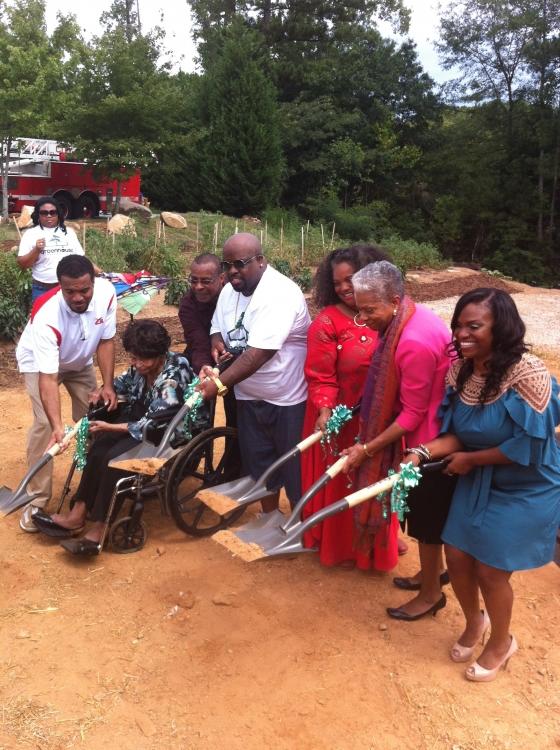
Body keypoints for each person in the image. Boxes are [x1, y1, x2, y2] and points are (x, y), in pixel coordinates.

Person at [406, 288, 560, 680]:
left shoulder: (529, 374)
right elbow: (459, 435)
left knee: (491, 571)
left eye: (474, 326)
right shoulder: (462, 372)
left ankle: (501, 642)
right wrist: (420, 453)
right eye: (458, 326)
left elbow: (530, 444)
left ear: (502, 327)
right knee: (457, 557)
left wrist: (470, 460)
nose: (461, 334)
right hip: (477, 478)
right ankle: (476, 622)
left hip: (528, 483)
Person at [32, 319, 208, 555]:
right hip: (142, 417)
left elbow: (154, 424)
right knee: (98, 448)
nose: (135, 364)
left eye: (140, 360)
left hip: (165, 430)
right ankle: (78, 513)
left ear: (159, 355)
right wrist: (106, 389)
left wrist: (110, 426)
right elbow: (124, 382)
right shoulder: (143, 363)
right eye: (133, 358)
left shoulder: (172, 377)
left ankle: (100, 526)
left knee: (115, 461)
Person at [342, 261, 454, 620]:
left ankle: (431, 595)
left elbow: (411, 415)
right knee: (427, 522)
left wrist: (367, 448)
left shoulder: (413, 341)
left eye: (369, 310)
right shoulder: (412, 317)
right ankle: (431, 574)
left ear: (394, 299)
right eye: (359, 309)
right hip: (428, 437)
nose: (363, 319)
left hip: (427, 447)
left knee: (426, 522)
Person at [197, 232, 310, 516]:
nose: (232, 271)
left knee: (292, 464)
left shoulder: (279, 293)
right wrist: (215, 340)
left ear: (261, 260)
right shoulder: (229, 290)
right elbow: (215, 325)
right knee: (259, 461)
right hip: (248, 394)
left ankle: (299, 525)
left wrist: (219, 384)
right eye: (227, 265)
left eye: (240, 263)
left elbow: (259, 353)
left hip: (286, 396)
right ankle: (270, 517)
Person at [300, 244, 390, 565]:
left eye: (350, 280)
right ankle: (341, 547)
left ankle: (374, 546)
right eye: (337, 282)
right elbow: (321, 375)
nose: (342, 288)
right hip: (340, 418)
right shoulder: (326, 323)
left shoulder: (388, 315)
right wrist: (326, 409)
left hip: (378, 419)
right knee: (343, 482)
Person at [15, 254, 118, 531]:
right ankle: (36, 499)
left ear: (93, 282)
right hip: (41, 363)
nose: (77, 297)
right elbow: (48, 378)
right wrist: (58, 427)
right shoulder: (46, 314)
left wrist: (107, 385)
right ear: (59, 286)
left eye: (84, 290)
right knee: (44, 425)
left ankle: (89, 490)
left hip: (80, 360)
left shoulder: (107, 293)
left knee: (95, 419)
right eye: (69, 291)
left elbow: (106, 341)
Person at [17, 197, 98, 302]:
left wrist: (99, 272)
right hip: (42, 289)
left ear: (58, 214)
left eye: (53, 212)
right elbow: (22, 264)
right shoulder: (31, 234)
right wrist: (36, 250)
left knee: (69, 318)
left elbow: (81, 259)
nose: (49, 215)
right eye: (44, 213)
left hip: (67, 290)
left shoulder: (69, 233)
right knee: (43, 318)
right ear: (38, 215)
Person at [178, 253, 224, 374]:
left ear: (222, 278)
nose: (198, 287)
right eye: (194, 280)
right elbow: (198, 341)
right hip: (202, 357)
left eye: (206, 281)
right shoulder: (188, 304)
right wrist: (205, 366)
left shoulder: (234, 297)